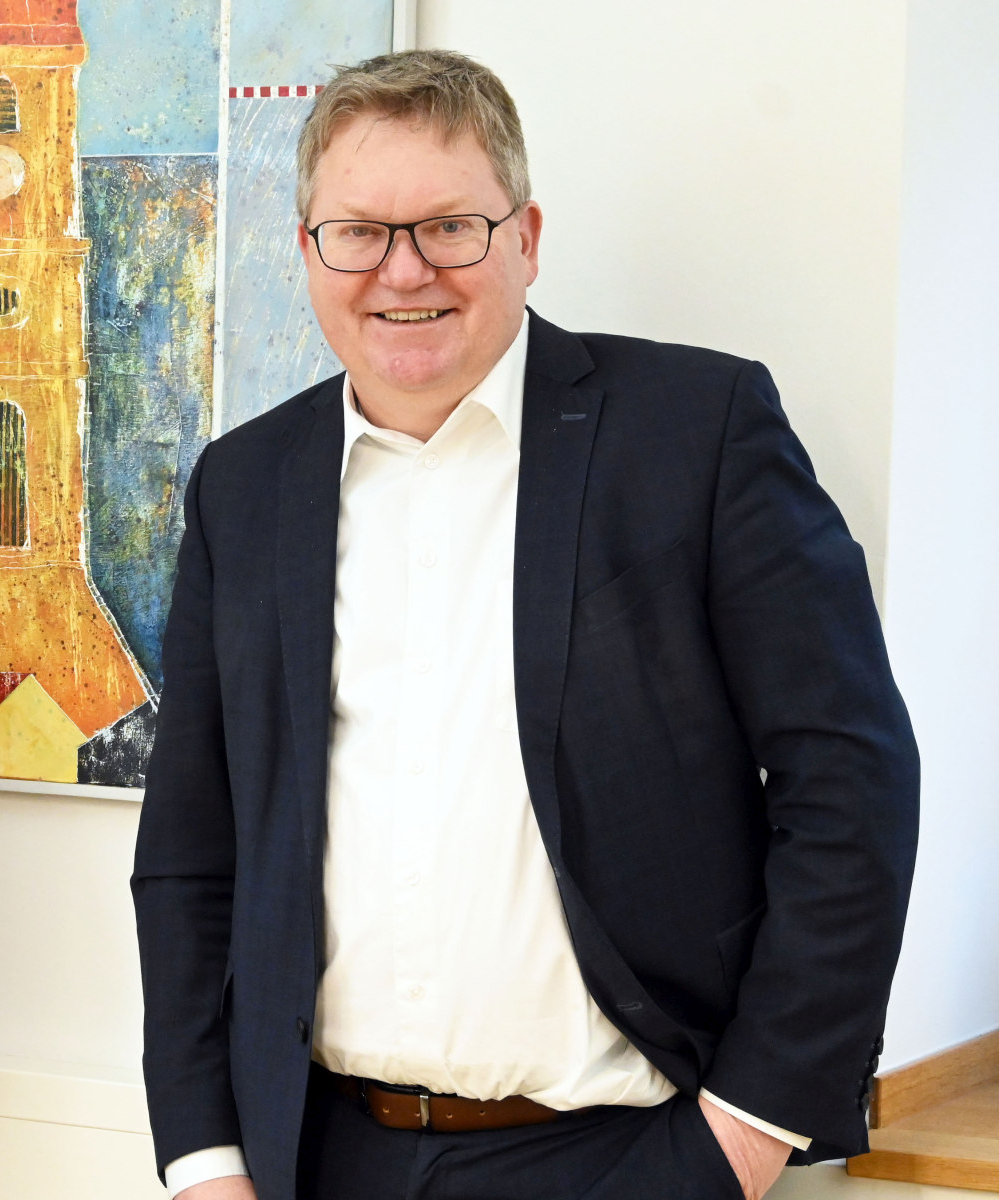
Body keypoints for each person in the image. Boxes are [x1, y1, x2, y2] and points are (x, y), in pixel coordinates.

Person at [131, 50, 918, 1200]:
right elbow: (193, 853)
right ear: (308, 252)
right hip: (318, 1156)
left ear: (526, 237)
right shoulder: (242, 489)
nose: (402, 270)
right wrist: (205, 1160)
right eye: (357, 231)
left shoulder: (695, 435)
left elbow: (849, 779)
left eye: (450, 225)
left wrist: (745, 1133)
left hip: (626, 1156)